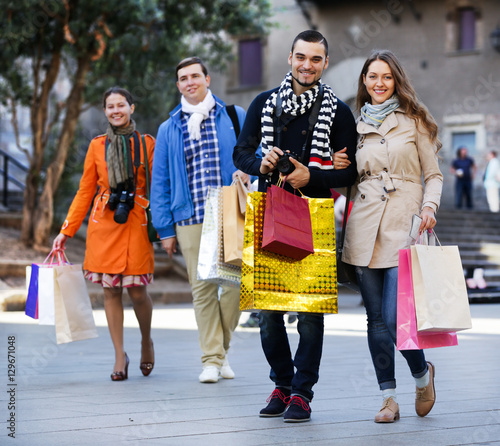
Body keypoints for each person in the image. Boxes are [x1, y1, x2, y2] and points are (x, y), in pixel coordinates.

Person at [233, 30, 357, 422]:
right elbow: (241, 153)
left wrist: (312, 179)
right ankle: (281, 385)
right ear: (289, 58)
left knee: (308, 313)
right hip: (268, 208)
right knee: (268, 312)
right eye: (301, 57)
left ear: (323, 63)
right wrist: (261, 165)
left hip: (314, 215)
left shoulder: (338, 111)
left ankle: (302, 393)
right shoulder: (263, 103)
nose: (307, 65)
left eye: (316, 59)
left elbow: (352, 171)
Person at [336, 49, 443, 422]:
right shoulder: (355, 126)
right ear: (364, 82)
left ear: (396, 81)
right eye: (372, 77)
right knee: (375, 320)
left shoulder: (414, 121)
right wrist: (341, 166)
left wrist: (429, 208)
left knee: (396, 316)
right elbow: (350, 179)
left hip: (404, 223)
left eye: (386, 77)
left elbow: (433, 175)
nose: (379, 83)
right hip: (364, 226)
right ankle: (388, 399)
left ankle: (420, 375)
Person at [150, 57, 249, 384]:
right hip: (189, 216)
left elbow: (256, 154)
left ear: (207, 79)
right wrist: (165, 228)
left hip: (229, 210)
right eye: (183, 78)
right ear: (178, 85)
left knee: (233, 285)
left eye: (195, 75)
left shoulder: (234, 116)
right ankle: (211, 360)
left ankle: (221, 350)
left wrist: (247, 170)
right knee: (203, 288)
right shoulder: (169, 129)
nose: (190, 81)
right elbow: (160, 180)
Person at [53, 87, 155, 381]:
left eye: (120, 105)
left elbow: (159, 184)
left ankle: (146, 341)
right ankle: (118, 356)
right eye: (110, 107)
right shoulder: (97, 145)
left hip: (135, 221)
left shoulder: (147, 143)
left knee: (137, 291)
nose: (115, 111)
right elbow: (85, 190)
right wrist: (67, 230)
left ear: (131, 108)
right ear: (105, 111)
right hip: (104, 224)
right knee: (110, 291)